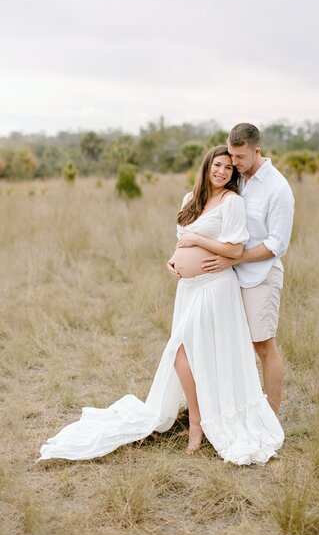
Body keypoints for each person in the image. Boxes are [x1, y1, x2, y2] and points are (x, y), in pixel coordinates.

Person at [38, 145, 284, 466]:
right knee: (188, 352)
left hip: (216, 288)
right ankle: (198, 419)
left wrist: (197, 243)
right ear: (207, 167)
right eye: (218, 165)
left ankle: (201, 424)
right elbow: (181, 239)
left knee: (184, 351)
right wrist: (174, 260)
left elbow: (235, 248)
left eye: (229, 168)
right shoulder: (189, 200)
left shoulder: (232, 202)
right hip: (189, 288)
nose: (223, 171)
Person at [201, 124, 294, 417]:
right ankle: (238, 408)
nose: (234, 162)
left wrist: (234, 259)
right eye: (231, 155)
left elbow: (276, 244)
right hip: (229, 278)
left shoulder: (278, 189)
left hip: (260, 278)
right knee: (233, 345)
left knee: (263, 345)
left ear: (257, 151)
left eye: (240, 157)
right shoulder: (236, 178)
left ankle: (272, 417)